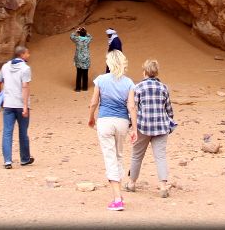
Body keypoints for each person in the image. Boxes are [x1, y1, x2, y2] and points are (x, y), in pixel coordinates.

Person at [88, 50, 136, 211]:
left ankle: (117, 199)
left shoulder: (101, 80)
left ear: (109, 63)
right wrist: (134, 128)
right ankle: (119, 194)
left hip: (105, 121)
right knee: (119, 156)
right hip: (122, 122)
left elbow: (94, 101)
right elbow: (131, 106)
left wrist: (91, 117)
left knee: (110, 158)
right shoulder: (129, 82)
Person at [128, 58, 177, 198]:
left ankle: (131, 183)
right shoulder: (163, 88)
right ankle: (162, 187)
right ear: (156, 72)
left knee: (137, 155)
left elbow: (133, 108)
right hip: (161, 127)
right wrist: (170, 123)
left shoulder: (138, 88)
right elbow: (169, 110)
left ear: (144, 72)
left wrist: (132, 126)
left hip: (143, 127)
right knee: (160, 156)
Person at [0, 45, 34, 169]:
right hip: (20, 104)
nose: (29, 55)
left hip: (8, 104)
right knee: (23, 132)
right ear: (22, 55)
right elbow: (25, 87)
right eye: (27, 53)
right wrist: (24, 106)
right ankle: (24, 159)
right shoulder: (25, 69)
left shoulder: (5, 66)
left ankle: (7, 160)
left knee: (7, 132)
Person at [70, 27, 92, 92]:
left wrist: (76, 31)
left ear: (79, 33)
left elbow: (71, 36)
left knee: (79, 73)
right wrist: (85, 31)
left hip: (79, 58)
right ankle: (85, 88)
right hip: (86, 58)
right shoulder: (88, 39)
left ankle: (78, 88)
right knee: (85, 73)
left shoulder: (77, 39)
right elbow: (91, 36)